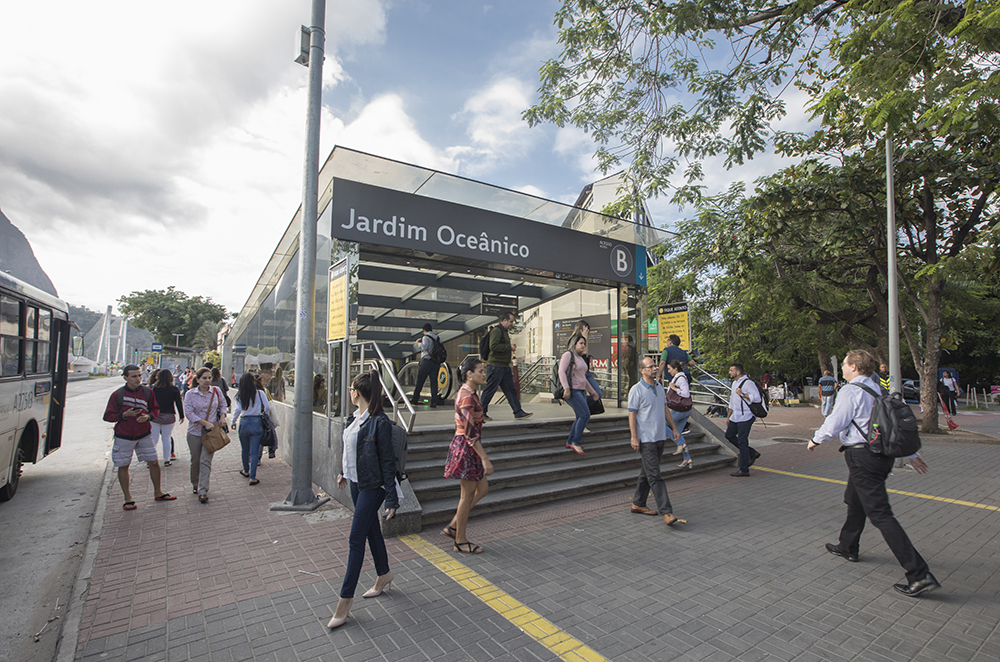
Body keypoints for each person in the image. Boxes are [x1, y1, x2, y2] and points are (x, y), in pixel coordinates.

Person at [807, 349, 940, 597]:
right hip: (881, 457)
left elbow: (836, 421)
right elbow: (893, 423)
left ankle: (919, 574)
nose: (842, 368)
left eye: (844, 364)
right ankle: (848, 545)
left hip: (863, 458)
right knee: (855, 500)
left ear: (854, 367)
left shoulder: (851, 391)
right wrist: (912, 454)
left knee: (880, 514)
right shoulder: (877, 389)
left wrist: (816, 439)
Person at [327, 370, 399, 629]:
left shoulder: (379, 422)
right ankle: (384, 574)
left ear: (356, 393)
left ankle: (344, 602)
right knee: (371, 531)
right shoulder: (353, 418)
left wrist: (391, 498)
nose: (349, 392)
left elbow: (388, 462)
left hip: (373, 486)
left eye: (350, 389)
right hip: (356, 483)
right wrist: (342, 471)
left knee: (355, 539)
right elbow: (350, 449)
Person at [102, 365, 177, 509]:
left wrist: (148, 417)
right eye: (133, 376)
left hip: (144, 434)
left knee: (153, 462)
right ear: (125, 378)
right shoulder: (118, 394)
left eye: (139, 375)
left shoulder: (148, 392)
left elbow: (155, 409)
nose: (137, 379)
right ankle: (128, 498)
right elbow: (108, 416)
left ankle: (158, 492)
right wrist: (124, 415)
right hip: (124, 436)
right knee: (123, 465)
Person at [441, 356, 493, 553]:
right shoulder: (467, 395)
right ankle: (460, 540)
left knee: (482, 489)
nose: (484, 374)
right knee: (466, 495)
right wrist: (484, 458)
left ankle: (454, 525)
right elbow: (469, 431)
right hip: (467, 447)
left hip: (468, 446)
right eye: (480, 371)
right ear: (469, 374)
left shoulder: (469, 392)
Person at [628, 356, 683, 525]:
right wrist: (634, 437)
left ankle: (638, 503)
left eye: (654, 366)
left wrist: (674, 428)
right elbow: (632, 414)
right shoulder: (636, 390)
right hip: (646, 439)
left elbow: (665, 408)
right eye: (650, 367)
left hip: (660, 436)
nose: (654, 369)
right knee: (655, 475)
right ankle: (666, 512)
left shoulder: (659, 387)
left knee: (647, 472)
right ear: (642, 370)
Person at [183, 367, 228, 503]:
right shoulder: (190, 394)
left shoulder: (215, 391)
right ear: (197, 380)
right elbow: (189, 413)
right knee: (195, 461)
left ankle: (203, 490)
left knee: (205, 461)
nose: (207, 380)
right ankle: (195, 482)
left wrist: (222, 417)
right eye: (204, 378)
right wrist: (204, 422)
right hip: (195, 432)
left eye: (209, 378)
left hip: (211, 433)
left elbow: (223, 405)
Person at [480, 311, 532, 421]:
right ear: (504, 320)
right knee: (490, 390)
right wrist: (509, 347)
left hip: (503, 366)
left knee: (510, 389)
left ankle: (518, 411)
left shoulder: (504, 332)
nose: (512, 324)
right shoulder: (497, 331)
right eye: (511, 321)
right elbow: (493, 346)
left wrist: (509, 347)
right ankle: (480, 413)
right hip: (495, 366)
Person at [559, 334, 600, 455]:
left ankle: (570, 441)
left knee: (580, 416)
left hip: (581, 391)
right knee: (585, 415)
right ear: (574, 344)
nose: (583, 346)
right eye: (581, 343)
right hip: (573, 391)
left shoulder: (581, 358)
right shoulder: (568, 355)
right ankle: (576, 442)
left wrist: (593, 392)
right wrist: (566, 388)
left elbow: (584, 379)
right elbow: (561, 371)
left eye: (584, 343)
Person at [231, 373, 271, 486]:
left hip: (244, 422)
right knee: (254, 451)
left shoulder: (239, 395)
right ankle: (253, 477)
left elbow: (238, 409)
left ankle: (246, 470)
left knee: (245, 450)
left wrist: (233, 422)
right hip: (257, 422)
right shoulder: (260, 393)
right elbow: (267, 407)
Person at [726, 363, 762, 477]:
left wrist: (743, 394)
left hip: (746, 416)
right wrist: (728, 416)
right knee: (729, 435)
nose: (730, 372)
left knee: (742, 441)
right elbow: (732, 401)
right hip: (735, 416)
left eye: (731, 370)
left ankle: (744, 469)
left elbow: (757, 398)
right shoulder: (734, 383)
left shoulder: (748, 383)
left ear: (738, 372)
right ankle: (752, 452)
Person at [151, 369, 184, 467]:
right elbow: (178, 403)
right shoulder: (174, 389)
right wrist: (181, 415)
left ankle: (151, 460)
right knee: (166, 438)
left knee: (154, 439)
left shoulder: (153, 388)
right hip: (169, 416)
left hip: (155, 416)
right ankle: (167, 460)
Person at [666, 360, 694, 468]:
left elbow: (686, 393)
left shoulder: (680, 378)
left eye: (670, 369)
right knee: (677, 432)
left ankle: (679, 444)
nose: (668, 371)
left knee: (662, 424)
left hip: (680, 410)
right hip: (684, 410)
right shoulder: (678, 377)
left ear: (675, 369)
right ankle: (687, 458)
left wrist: (673, 388)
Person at [411, 323, 442, 407]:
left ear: (424, 330)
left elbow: (424, 347)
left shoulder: (426, 337)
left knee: (420, 381)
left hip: (426, 362)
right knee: (434, 382)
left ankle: (415, 399)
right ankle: (434, 401)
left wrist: (418, 343)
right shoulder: (437, 338)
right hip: (436, 363)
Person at [571, 319, 603, 399]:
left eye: (588, 329)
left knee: (598, 393)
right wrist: (584, 337)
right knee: (584, 395)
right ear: (581, 329)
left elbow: (586, 355)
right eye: (586, 329)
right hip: (579, 371)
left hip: (586, 370)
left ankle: (585, 404)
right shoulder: (574, 340)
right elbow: (584, 353)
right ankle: (584, 404)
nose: (588, 331)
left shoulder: (583, 340)